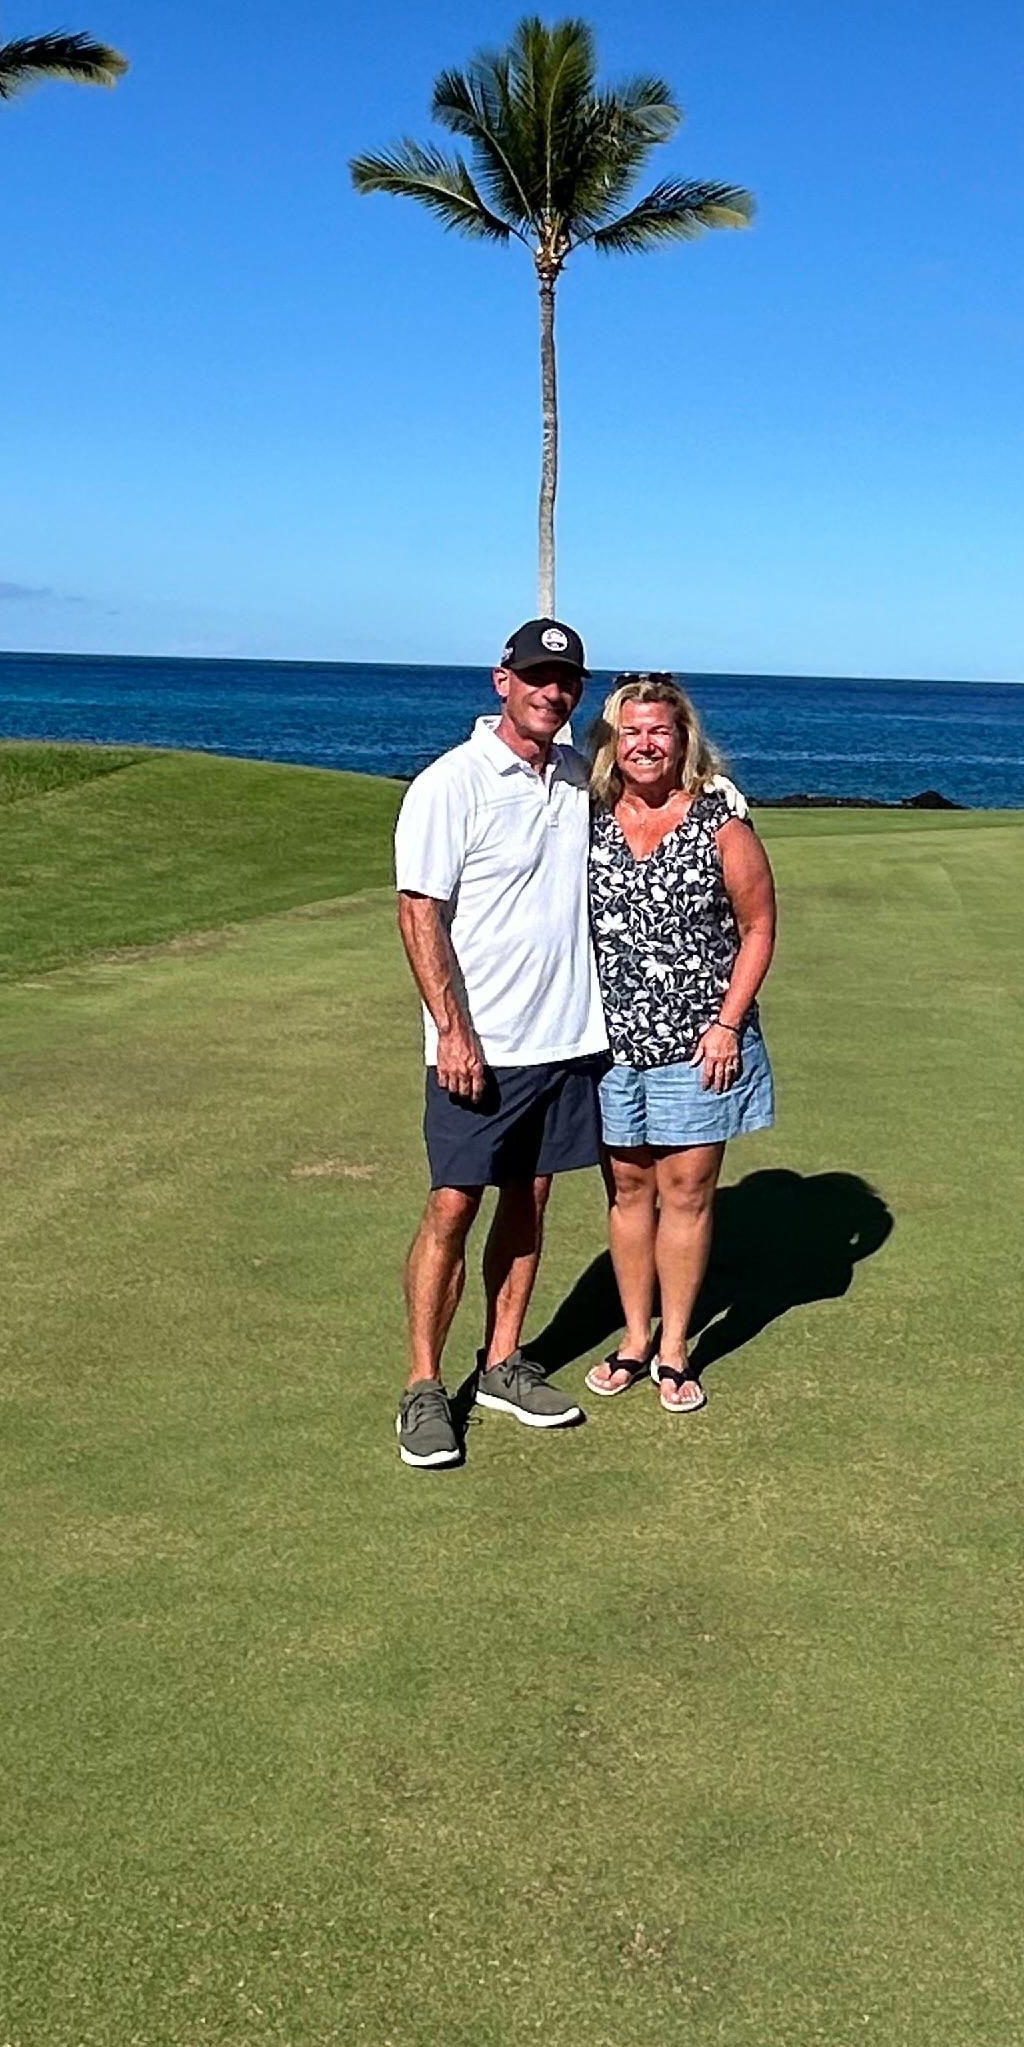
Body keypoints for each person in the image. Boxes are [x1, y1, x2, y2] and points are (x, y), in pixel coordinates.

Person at [387, 618, 608, 1470]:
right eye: (537, 678)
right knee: (453, 1204)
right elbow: (419, 913)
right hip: (479, 1044)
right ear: (501, 681)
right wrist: (453, 1032)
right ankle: (421, 1385)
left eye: (567, 682)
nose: (552, 693)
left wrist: (725, 799)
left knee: (533, 1198)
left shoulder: (580, 776)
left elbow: (666, 792)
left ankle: (502, 1363)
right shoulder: (451, 783)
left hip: (565, 1037)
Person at [577, 674, 777, 1416]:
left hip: (701, 1046)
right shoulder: (588, 819)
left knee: (686, 1194)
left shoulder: (720, 824)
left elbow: (758, 927)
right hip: (607, 1047)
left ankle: (674, 1348)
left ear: (683, 739)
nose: (645, 744)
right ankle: (634, 1338)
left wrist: (727, 1022)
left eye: (659, 731)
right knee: (629, 1191)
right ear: (612, 742)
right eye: (631, 732)